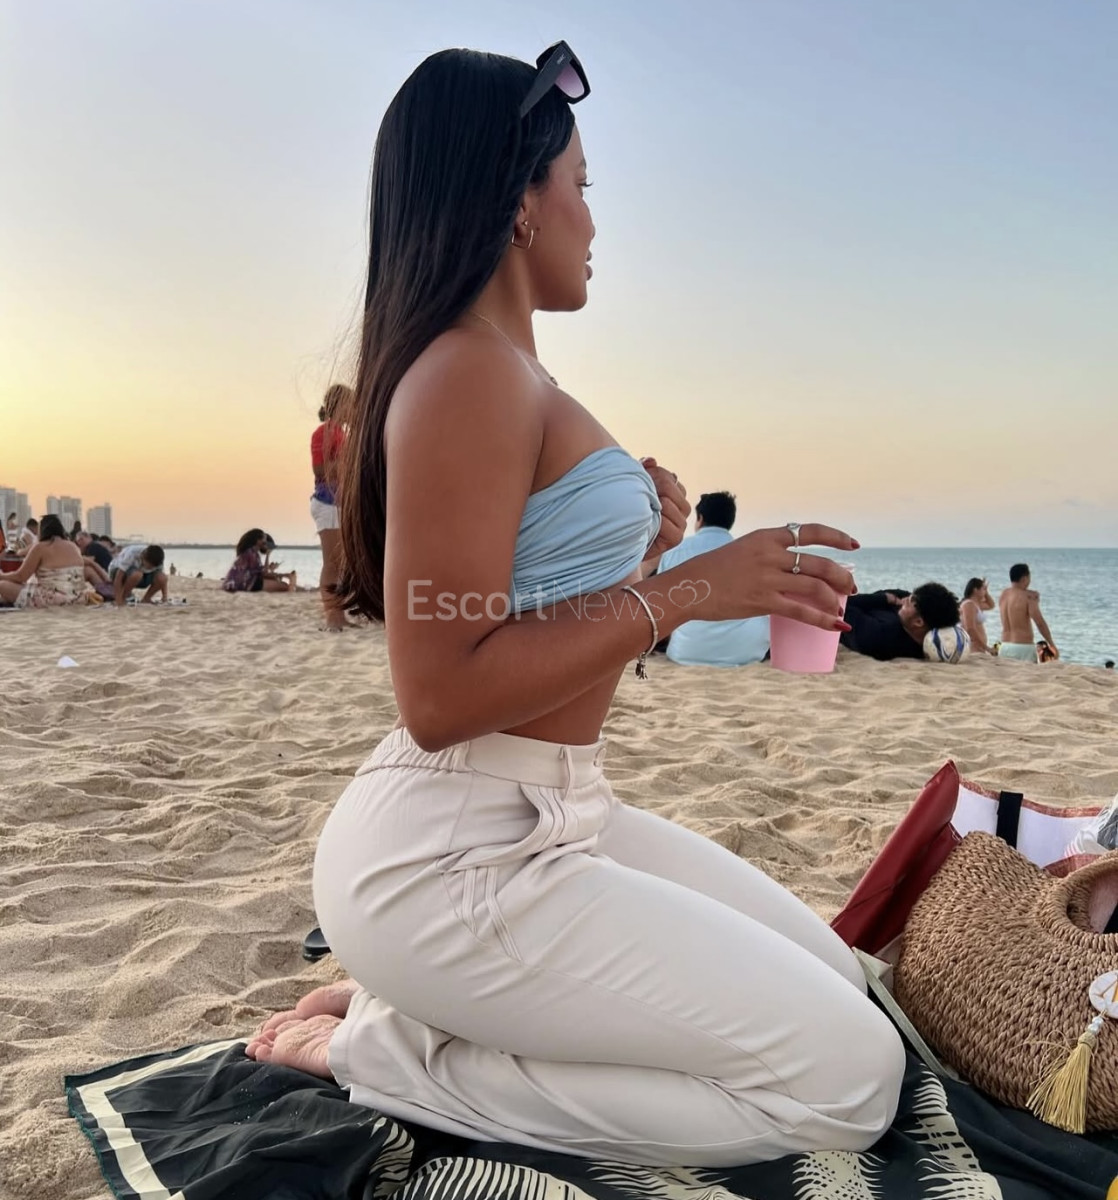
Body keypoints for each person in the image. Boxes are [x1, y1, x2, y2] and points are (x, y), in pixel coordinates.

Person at [244, 44, 904, 1169]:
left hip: (555, 811)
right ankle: (384, 1049)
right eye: (581, 186)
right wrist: (689, 589)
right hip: (453, 856)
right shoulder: (465, 372)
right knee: (852, 1083)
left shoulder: (507, 373)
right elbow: (439, 694)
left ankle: (433, 1008)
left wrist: (640, 555)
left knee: (847, 985)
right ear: (519, 199)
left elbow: (531, 617)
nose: (592, 218)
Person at [652, 492, 770, 666]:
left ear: (700, 518)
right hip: (746, 653)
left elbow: (661, 606)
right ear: (730, 520)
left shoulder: (675, 551)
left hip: (686, 652)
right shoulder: (752, 555)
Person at [310, 384, 354, 630]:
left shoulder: (341, 434)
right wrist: (347, 463)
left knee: (342, 563)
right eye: (351, 404)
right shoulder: (324, 432)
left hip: (337, 504)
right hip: (327, 502)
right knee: (332, 562)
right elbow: (320, 469)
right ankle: (332, 616)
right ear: (340, 405)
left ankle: (339, 613)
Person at [840, 583, 960, 661]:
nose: (906, 599)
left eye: (911, 600)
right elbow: (901, 594)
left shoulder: (878, 635)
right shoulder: (915, 626)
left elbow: (842, 604)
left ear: (918, 622)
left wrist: (883, 599)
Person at [0, 515, 94, 607]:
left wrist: (2, 576)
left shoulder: (40, 547)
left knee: (3, 585)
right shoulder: (73, 546)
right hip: (78, 598)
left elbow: (21, 576)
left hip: (54, 599)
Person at [998, 563, 1058, 663]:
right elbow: (1039, 622)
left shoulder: (1004, 594)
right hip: (1023, 646)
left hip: (1004, 646)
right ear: (1024, 578)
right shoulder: (1029, 596)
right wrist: (1051, 644)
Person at [223, 529, 297, 593]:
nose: (266, 542)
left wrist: (273, 570)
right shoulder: (251, 554)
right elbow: (264, 574)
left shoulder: (252, 553)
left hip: (241, 583)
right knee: (284, 586)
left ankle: (293, 586)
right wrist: (285, 575)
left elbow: (260, 572)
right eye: (264, 539)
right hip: (244, 584)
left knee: (279, 581)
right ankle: (291, 589)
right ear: (258, 540)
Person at [958, 577, 994, 655]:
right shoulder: (969, 604)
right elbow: (970, 629)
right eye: (983, 589)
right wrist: (987, 648)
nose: (985, 591)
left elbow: (991, 605)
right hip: (972, 646)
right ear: (975, 590)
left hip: (978, 647)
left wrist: (986, 592)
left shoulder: (976, 604)